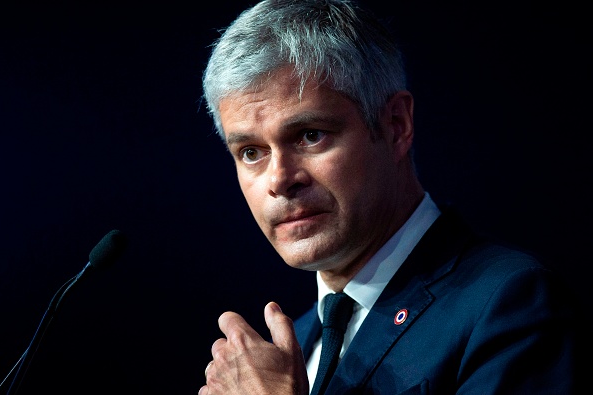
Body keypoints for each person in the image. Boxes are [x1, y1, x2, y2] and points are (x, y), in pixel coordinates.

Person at [198, 0, 582, 394]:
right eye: (251, 152)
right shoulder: (293, 345)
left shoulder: (508, 304)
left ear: (396, 125)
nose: (279, 179)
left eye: (311, 135)